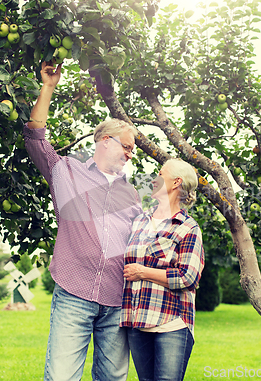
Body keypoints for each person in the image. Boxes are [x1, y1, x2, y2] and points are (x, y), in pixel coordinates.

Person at [24, 61, 142, 381]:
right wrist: (48, 86)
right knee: (61, 376)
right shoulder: (66, 172)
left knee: (113, 379)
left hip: (117, 302)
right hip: (74, 295)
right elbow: (35, 138)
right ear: (105, 140)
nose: (131, 154)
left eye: (133, 150)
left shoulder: (132, 196)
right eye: (127, 147)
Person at [120, 158, 205, 381]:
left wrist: (144, 272)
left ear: (176, 182)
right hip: (138, 322)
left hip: (172, 323)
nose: (153, 179)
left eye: (160, 173)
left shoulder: (188, 228)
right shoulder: (139, 221)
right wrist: (166, 273)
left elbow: (188, 277)